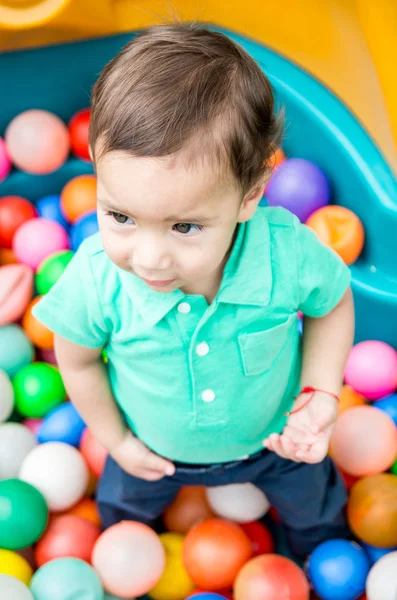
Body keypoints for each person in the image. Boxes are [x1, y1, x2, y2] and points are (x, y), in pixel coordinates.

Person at [34, 22, 354, 557]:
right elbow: (79, 361)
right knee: (123, 514)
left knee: (320, 515)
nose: (149, 256)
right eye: (120, 216)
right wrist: (118, 443)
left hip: (278, 443)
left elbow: (332, 303)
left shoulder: (283, 253)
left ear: (250, 197)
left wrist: (321, 393)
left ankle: (313, 552)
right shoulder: (96, 278)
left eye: (185, 227)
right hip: (152, 452)